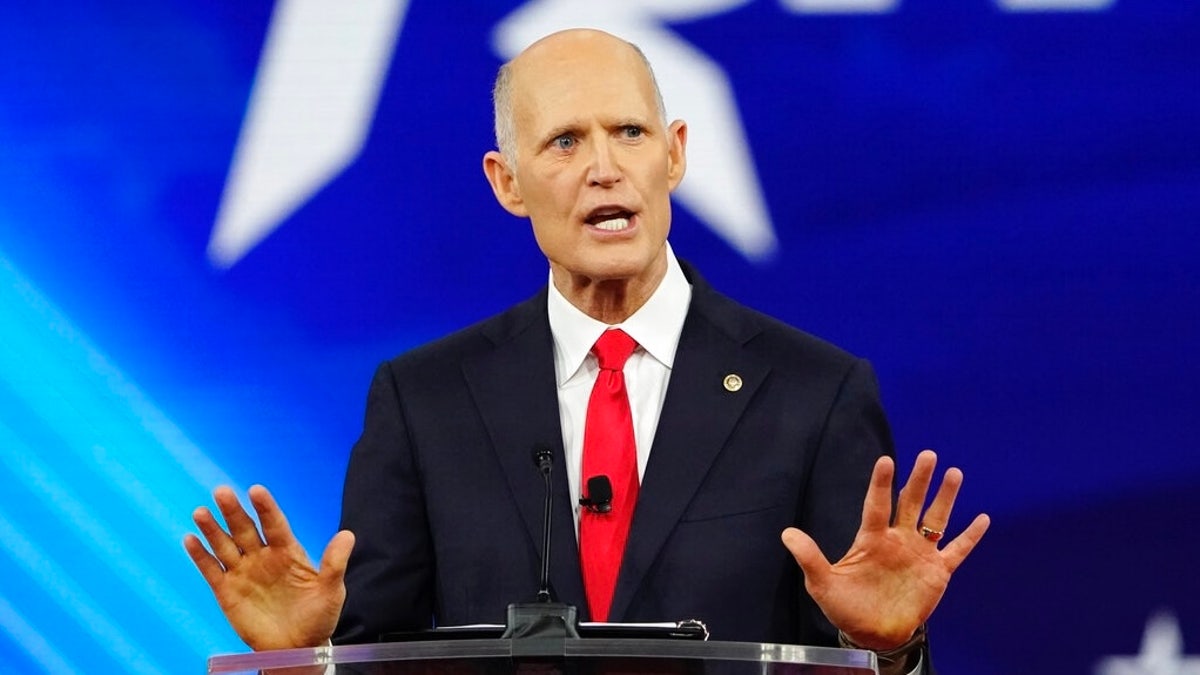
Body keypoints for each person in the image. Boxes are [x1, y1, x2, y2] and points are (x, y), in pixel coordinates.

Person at [184, 28, 989, 675]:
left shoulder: (815, 393)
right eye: (565, 141)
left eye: (629, 132)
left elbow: (846, 657)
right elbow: (381, 658)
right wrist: (303, 659)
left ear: (673, 154)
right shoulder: (423, 401)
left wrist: (887, 652)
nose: (604, 168)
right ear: (508, 182)